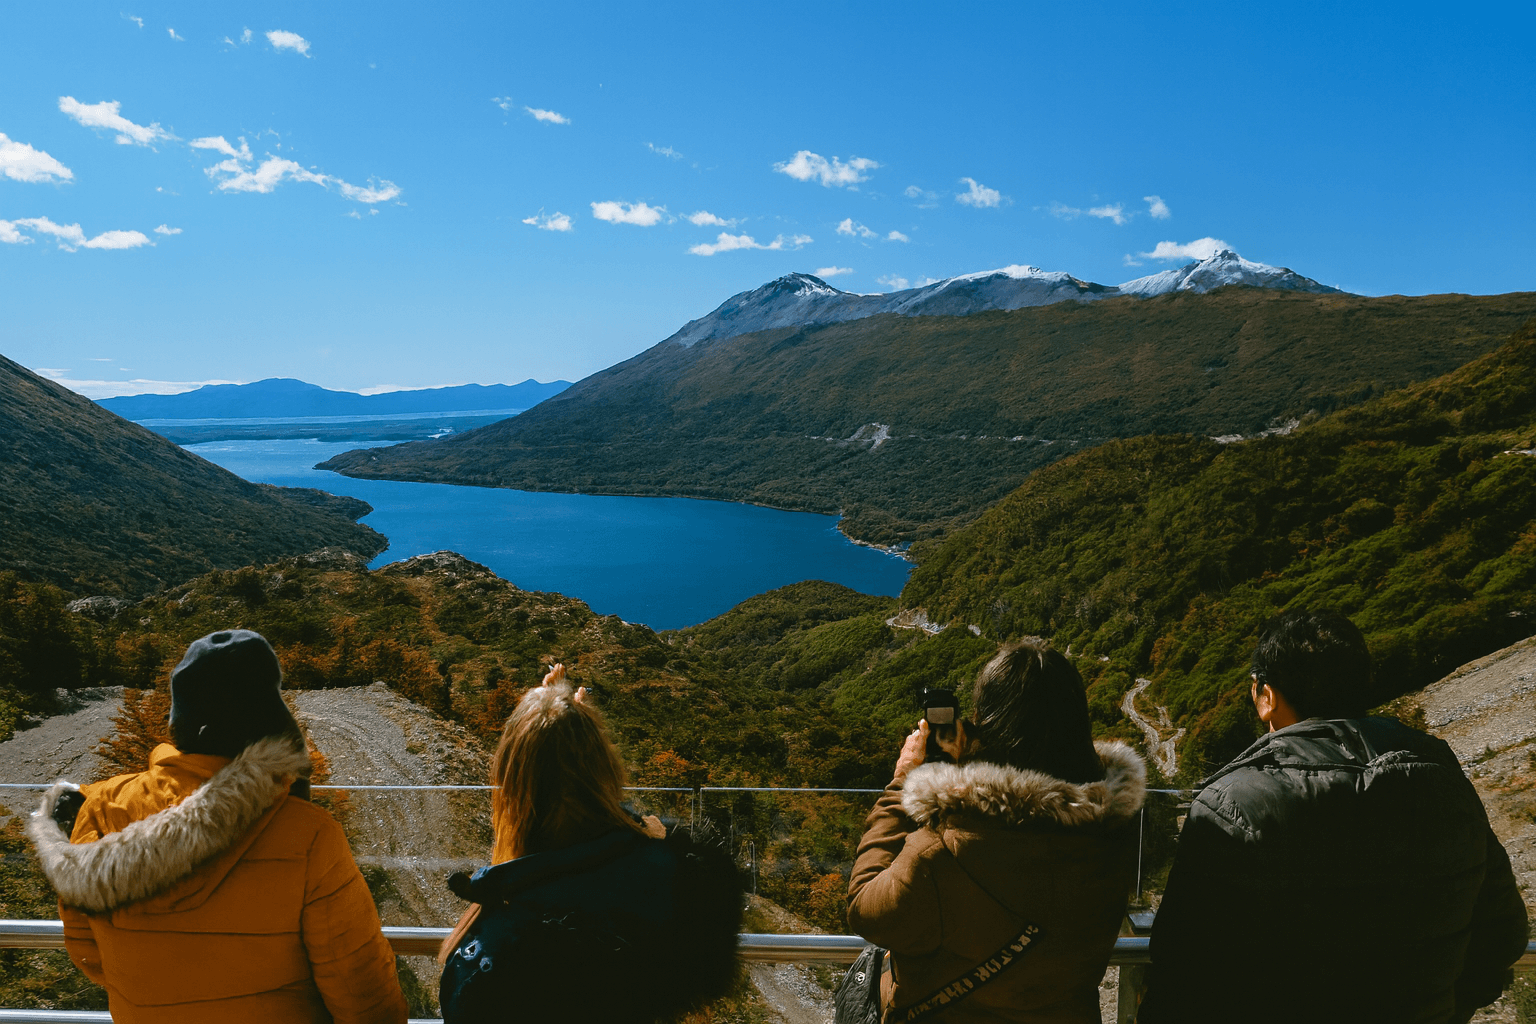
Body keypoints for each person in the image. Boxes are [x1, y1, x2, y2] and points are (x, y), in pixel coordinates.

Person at [1138, 608, 1530, 1024]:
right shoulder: (1443, 781)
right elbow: (1502, 937)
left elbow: (1182, 972)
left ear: (1266, 696)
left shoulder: (1232, 805)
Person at [28, 628, 407, 1024]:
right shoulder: (307, 832)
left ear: (182, 720)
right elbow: (358, 984)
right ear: (269, 718)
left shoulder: (101, 806)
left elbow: (87, 951)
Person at [847, 639, 1146, 1023]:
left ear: (984, 724)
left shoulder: (943, 853)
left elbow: (865, 908)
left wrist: (902, 783)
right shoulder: (1115, 829)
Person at [437, 664, 741, 1024]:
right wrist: (572, 724)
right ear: (607, 771)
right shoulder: (689, 879)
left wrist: (548, 721)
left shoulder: (492, 956)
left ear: (510, 788)